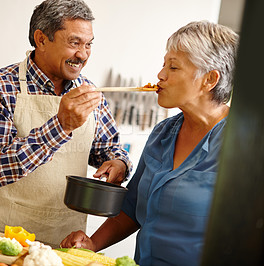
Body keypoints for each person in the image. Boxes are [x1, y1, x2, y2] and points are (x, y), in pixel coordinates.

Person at [60, 21, 239, 265]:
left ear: (210, 79)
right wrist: (92, 244)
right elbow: (132, 208)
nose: (160, 75)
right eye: (164, 64)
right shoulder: (163, 133)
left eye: (173, 67)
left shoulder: (245, 144)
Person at [0, 0, 131, 247]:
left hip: (64, 241)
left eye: (88, 45)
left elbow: (108, 149)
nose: (83, 55)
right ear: (41, 39)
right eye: (74, 43)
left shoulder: (90, 93)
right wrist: (61, 126)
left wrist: (119, 163)